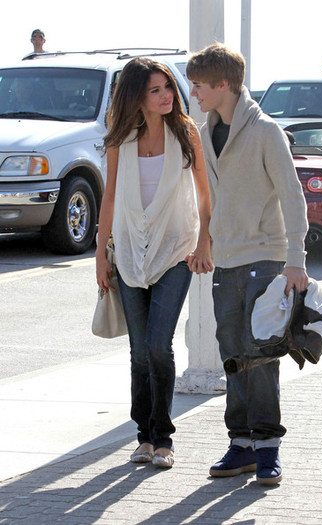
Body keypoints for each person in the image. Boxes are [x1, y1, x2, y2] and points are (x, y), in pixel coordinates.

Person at [187, 43, 309, 485]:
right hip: (227, 260)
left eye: (199, 84)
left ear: (222, 84)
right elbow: (209, 199)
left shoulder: (265, 131)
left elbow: (293, 196)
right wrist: (205, 243)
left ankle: (268, 448)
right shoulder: (204, 132)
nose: (193, 91)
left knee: (260, 355)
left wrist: (295, 259)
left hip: (266, 257)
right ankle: (240, 444)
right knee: (232, 354)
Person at [96, 57, 213, 469]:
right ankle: (143, 437)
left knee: (157, 347)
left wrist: (204, 242)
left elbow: (204, 192)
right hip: (129, 253)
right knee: (139, 352)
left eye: (168, 87)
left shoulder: (186, 134)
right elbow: (109, 196)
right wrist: (100, 252)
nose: (167, 96)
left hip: (175, 251)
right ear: (137, 97)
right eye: (155, 90)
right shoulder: (120, 139)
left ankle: (163, 438)